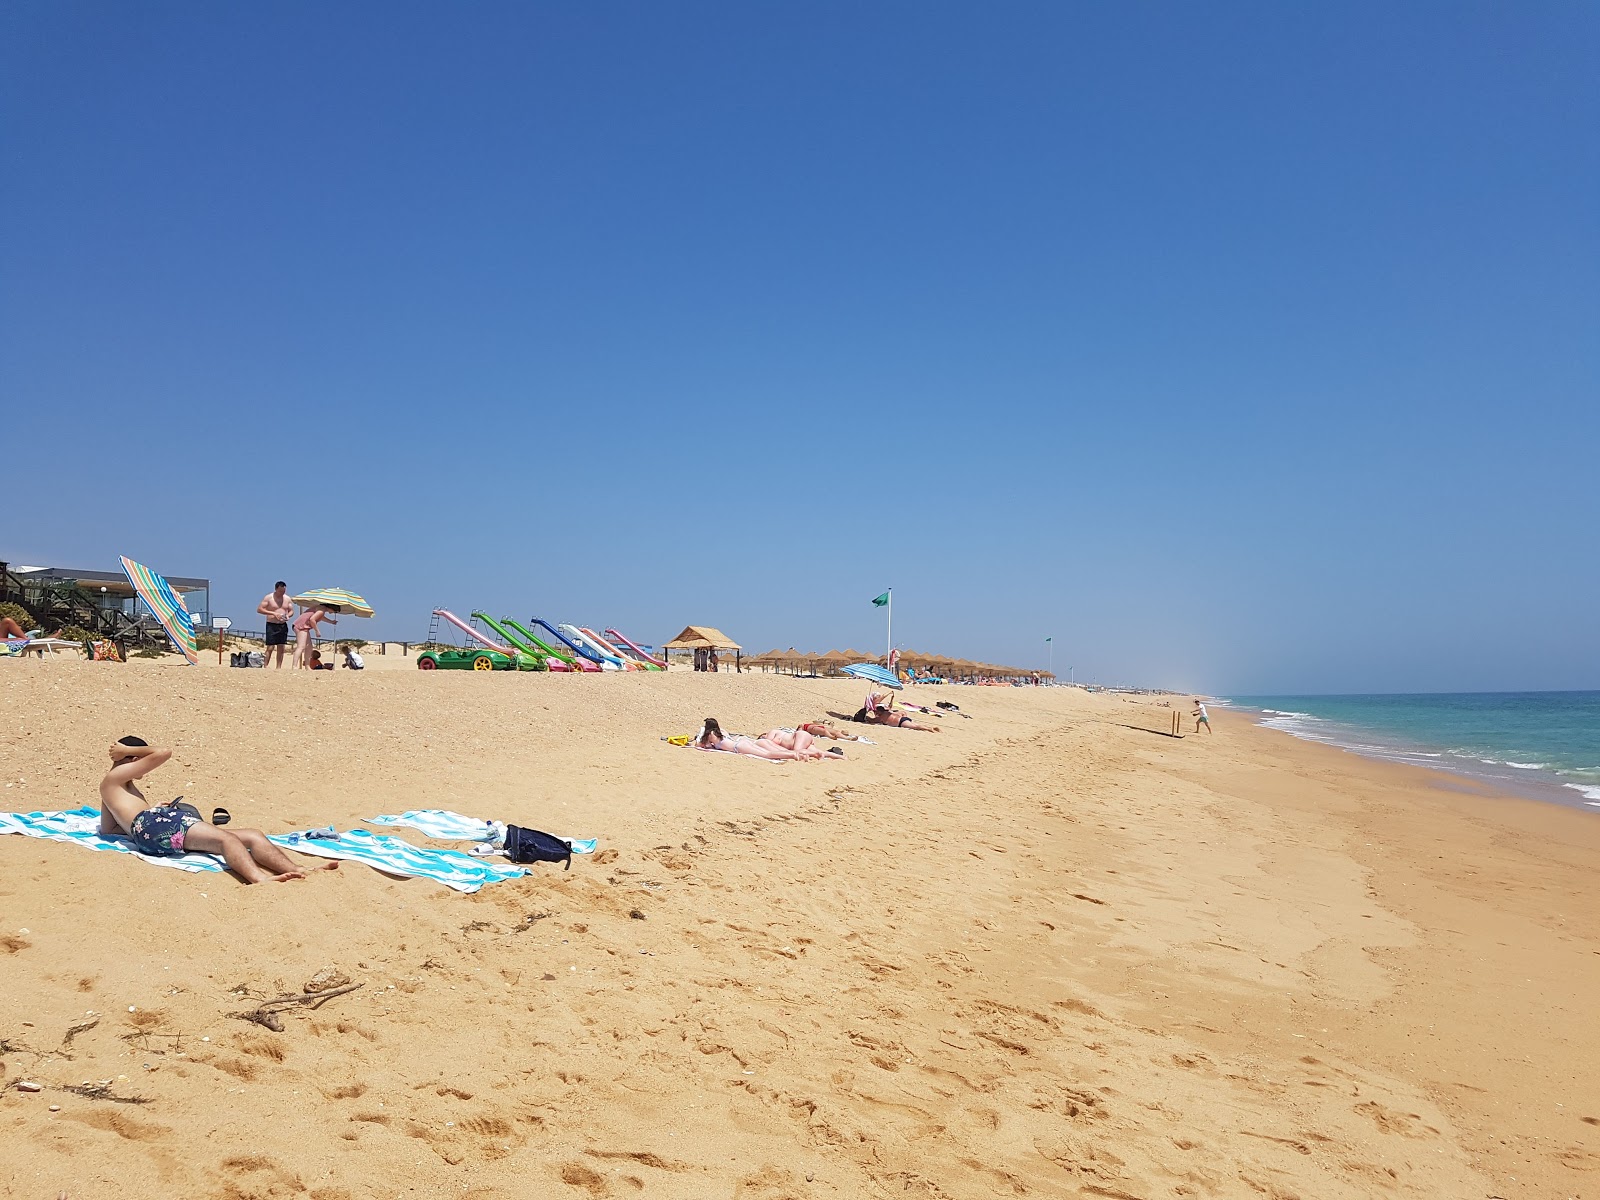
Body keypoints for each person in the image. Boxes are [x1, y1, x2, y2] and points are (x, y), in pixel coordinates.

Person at [98, 737, 336, 884]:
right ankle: (260, 880)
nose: (143, 770)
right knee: (226, 839)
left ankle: (299, 870)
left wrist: (144, 823)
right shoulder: (115, 775)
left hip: (151, 830)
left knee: (253, 835)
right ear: (129, 759)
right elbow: (164, 752)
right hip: (153, 825)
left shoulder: (113, 786)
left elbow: (109, 829)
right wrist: (127, 749)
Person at [693, 718, 811, 762]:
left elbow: (700, 745)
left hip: (739, 747)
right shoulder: (721, 731)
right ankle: (796, 753)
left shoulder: (710, 735)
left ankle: (793, 756)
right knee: (768, 752)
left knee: (768, 754)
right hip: (742, 742)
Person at [256, 581, 294, 669]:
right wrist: (273, 613)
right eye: (280, 591)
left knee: (281, 647)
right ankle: (265, 665)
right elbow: (260, 609)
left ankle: (278, 667)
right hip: (271, 624)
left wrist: (288, 615)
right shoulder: (269, 598)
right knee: (270, 647)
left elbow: (291, 611)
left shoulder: (287, 598)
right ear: (276, 589)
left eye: (284, 591)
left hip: (282, 624)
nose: (282, 593)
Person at [293, 603, 336, 669]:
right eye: (335, 611)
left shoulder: (321, 609)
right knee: (301, 646)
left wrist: (331, 622)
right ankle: (294, 666)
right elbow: (312, 619)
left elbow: (320, 617)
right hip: (301, 626)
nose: (333, 613)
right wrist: (317, 631)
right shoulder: (322, 609)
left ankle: (307, 666)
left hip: (304, 627)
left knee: (309, 647)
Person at [851, 704, 940, 732]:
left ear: (879, 712)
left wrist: (866, 715)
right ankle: (928, 727)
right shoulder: (889, 712)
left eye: (876, 712)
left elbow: (871, 721)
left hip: (900, 723)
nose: (875, 713)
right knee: (915, 725)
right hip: (903, 719)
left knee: (915, 727)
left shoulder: (881, 718)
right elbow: (903, 712)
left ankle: (929, 729)